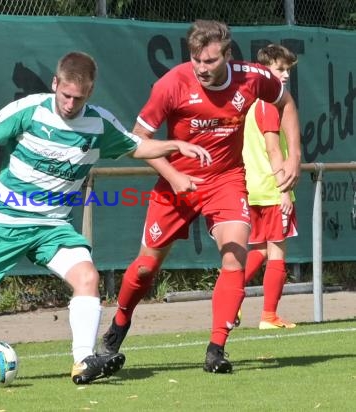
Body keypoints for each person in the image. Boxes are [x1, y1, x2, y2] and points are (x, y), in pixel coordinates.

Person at [0, 51, 212, 384]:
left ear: (90, 92)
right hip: (6, 222)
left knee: (87, 278)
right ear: (55, 83)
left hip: (53, 227)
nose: (70, 103)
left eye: (78, 97)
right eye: (65, 95)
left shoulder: (98, 123)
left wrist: (175, 145)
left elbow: (137, 147)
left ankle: (83, 360)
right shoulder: (30, 110)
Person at [99, 20, 301, 374]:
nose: (201, 68)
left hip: (226, 180)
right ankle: (119, 323)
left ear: (227, 55)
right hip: (177, 184)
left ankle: (216, 348)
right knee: (146, 267)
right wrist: (175, 175)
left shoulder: (251, 77)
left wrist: (294, 156)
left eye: (209, 61)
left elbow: (284, 102)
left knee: (236, 255)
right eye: (196, 60)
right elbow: (137, 141)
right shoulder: (172, 84)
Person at [242, 44, 299, 329]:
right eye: (280, 69)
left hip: (253, 187)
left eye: (288, 69)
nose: (286, 75)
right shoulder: (269, 105)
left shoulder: (251, 103)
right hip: (270, 188)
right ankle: (269, 316)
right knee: (277, 251)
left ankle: (229, 296)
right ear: (265, 70)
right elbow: (274, 150)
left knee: (260, 250)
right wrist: (284, 189)